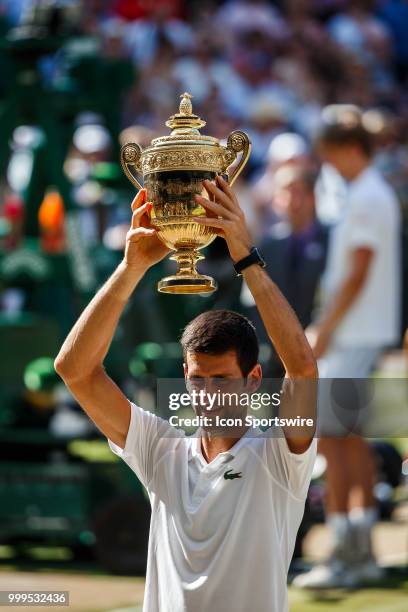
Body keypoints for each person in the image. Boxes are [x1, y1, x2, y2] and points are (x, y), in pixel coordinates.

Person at [55, 176, 317, 612]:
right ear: (184, 376)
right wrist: (131, 268)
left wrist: (246, 259)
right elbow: (75, 370)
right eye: (198, 381)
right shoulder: (160, 448)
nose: (208, 395)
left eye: (222, 381)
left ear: (253, 379)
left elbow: (303, 369)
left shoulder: (279, 456)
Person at [294, 113, 401, 588]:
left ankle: (344, 555)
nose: (327, 163)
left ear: (351, 149)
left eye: (330, 153)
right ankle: (359, 550)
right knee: (346, 439)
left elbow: (357, 273)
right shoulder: (368, 194)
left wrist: (324, 329)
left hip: (352, 334)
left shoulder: (366, 197)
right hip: (359, 333)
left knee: (335, 439)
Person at [242, 165, 328, 375]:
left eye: (299, 191)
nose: (293, 200)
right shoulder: (267, 245)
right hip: (275, 355)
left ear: (313, 197)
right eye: (286, 191)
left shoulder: (331, 241)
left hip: (322, 349)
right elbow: (252, 299)